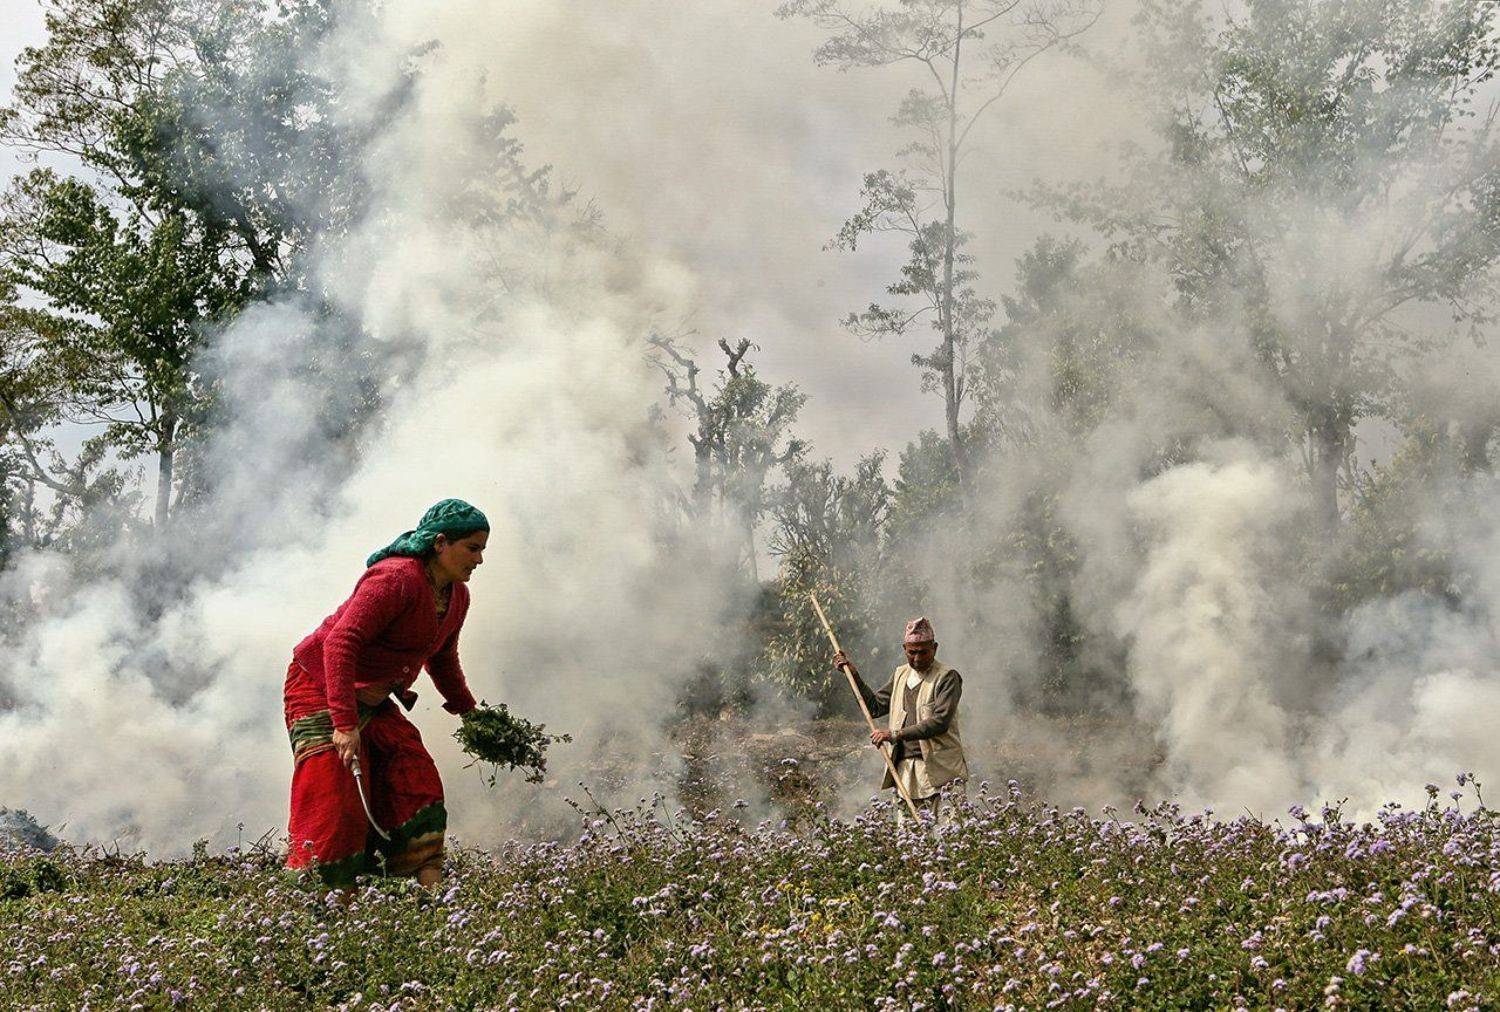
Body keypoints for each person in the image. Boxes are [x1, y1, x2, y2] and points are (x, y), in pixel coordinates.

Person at [283, 498, 488, 888]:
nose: (478, 560)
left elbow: (442, 658)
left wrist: (470, 713)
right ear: (441, 543)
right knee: (336, 796)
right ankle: (323, 906)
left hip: (372, 698)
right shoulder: (396, 579)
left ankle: (433, 901)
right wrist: (343, 725)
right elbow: (340, 643)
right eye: (472, 548)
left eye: (482, 550)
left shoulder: (456, 596)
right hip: (320, 686)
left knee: (415, 775)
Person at [833, 616, 968, 825]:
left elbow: (940, 721)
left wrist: (894, 735)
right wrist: (853, 675)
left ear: (935, 648)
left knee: (949, 840)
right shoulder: (900, 675)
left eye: (923, 652)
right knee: (911, 844)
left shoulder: (947, 677)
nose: (917, 658)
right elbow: (875, 707)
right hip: (905, 771)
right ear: (904, 648)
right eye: (911, 652)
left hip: (941, 772)